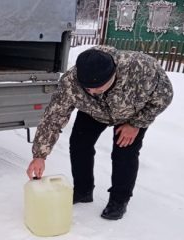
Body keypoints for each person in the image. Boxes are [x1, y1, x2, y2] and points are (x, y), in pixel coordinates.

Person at [26, 45, 173, 220]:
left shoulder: (140, 67)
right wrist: (40, 155)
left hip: (131, 115)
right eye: (87, 88)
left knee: (124, 153)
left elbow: (164, 97)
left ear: (113, 74)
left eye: (98, 87)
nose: (93, 92)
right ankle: (83, 190)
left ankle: (119, 200)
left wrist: (136, 124)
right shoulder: (71, 82)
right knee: (79, 144)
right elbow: (53, 117)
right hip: (94, 112)